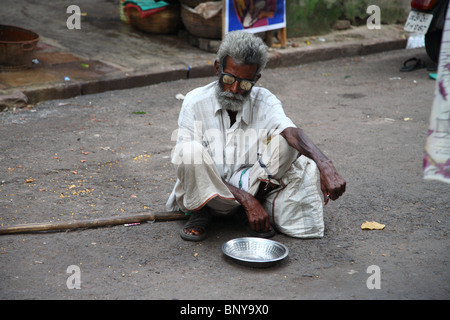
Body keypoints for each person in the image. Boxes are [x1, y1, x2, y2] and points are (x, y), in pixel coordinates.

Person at [166, 31, 346, 241]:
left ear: (256, 79)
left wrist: (325, 165)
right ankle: (202, 212)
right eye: (228, 78)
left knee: (286, 143)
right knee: (188, 152)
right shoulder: (194, 102)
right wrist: (247, 201)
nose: (234, 89)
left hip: (248, 185)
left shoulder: (265, 101)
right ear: (217, 68)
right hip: (203, 191)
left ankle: (245, 209)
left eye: (244, 84)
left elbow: (291, 132)